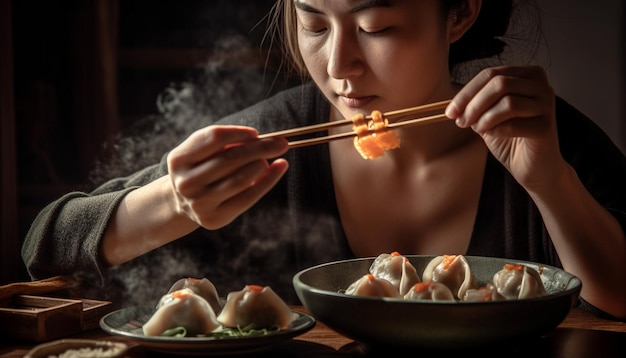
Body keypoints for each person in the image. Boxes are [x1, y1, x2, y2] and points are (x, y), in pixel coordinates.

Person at [22, 0, 626, 320]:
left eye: (377, 27)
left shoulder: (535, 129)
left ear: (461, 12)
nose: (339, 65)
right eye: (313, 24)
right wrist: (172, 202)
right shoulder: (276, 138)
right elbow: (42, 249)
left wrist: (549, 182)